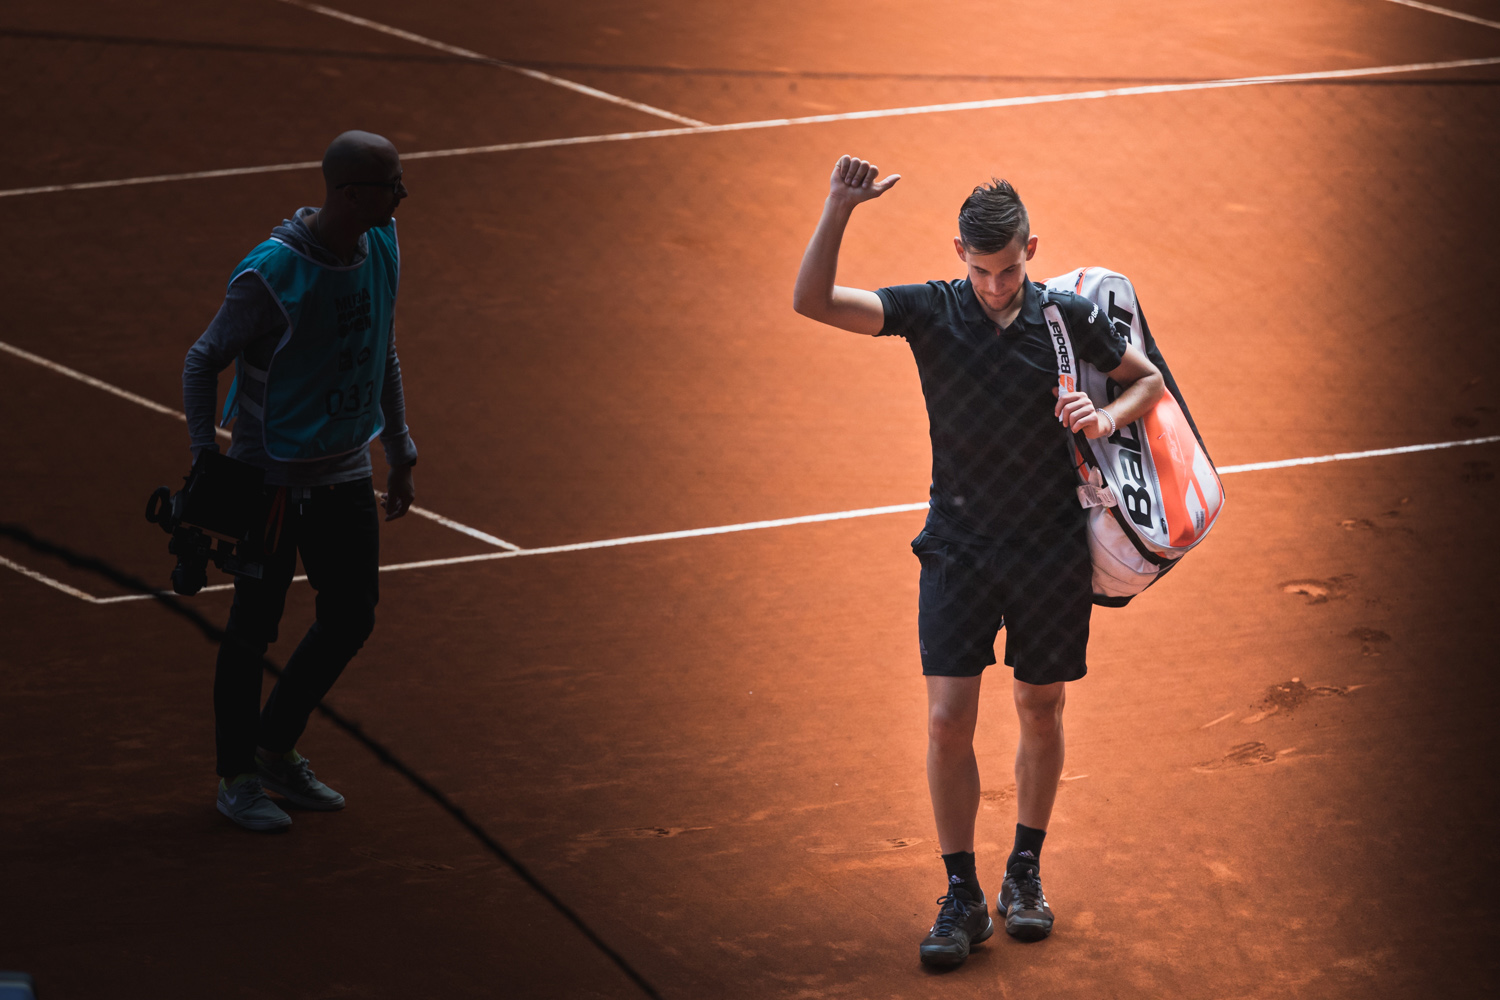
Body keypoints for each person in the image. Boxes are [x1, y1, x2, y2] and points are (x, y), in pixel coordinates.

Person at [792, 156, 1164, 966]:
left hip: (1048, 549)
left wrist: (1101, 417)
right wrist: (839, 208)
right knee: (945, 720)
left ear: (1031, 248)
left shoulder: (1066, 318)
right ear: (958, 250)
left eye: (1011, 269)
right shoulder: (930, 312)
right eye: (983, 268)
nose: (997, 285)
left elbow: (1147, 383)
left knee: (1040, 707)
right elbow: (812, 301)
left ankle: (1023, 873)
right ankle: (961, 893)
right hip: (958, 547)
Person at [182, 130, 418, 832]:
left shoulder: (380, 245)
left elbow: (382, 345)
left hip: (344, 467)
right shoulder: (271, 275)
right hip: (272, 482)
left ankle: (275, 745)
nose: (403, 195)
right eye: (392, 184)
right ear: (351, 195)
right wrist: (206, 458)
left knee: (351, 616)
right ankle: (236, 778)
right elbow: (203, 360)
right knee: (253, 630)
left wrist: (399, 448)